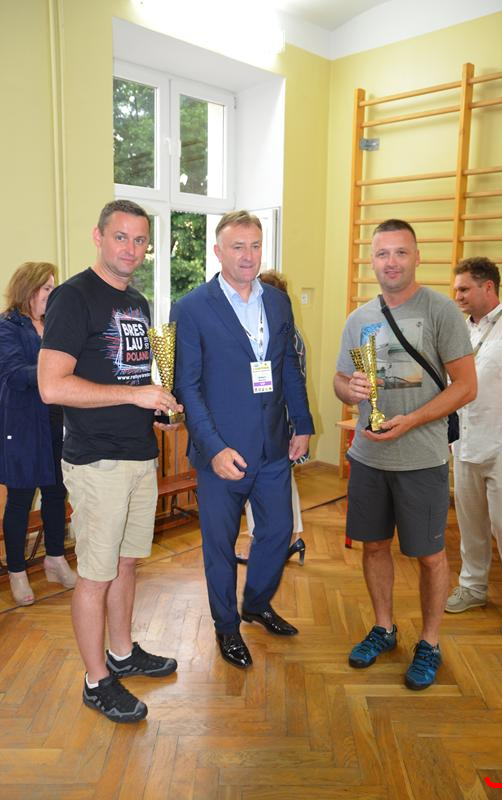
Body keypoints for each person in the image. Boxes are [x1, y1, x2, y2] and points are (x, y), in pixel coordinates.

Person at [38, 200, 182, 724]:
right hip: (97, 462)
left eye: (140, 240)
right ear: (98, 237)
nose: (131, 249)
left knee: (126, 563)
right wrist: (133, 396)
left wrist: (157, 405)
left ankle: (121, 653)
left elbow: (130, 378)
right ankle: (96, 680)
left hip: (139, 454)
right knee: (95, 576)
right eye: (121, 237)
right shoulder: (73, 297)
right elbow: (52, 386)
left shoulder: (137, 301)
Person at [334, 219, 476, 690]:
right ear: (371, 260)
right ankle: (384, 628)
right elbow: (340, 380)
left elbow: (466, 387)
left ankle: (429, 643)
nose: (391, 262)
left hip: (422, 458)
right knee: (374, 546)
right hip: (368, 457)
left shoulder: (441, 311)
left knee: (430, 556)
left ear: (417, 257)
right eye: (382, 253)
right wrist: (349, 389)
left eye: (400, 252)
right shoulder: (358, 319)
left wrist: (412, 420)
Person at [171, 210, 314, 669]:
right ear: (218, 252)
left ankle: (255, 603)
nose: (248, 255)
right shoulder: (192, 307)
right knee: (219, 545)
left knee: (278, 531)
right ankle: (226, 626)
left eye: (255, 245)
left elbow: (287, 367)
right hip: (222, 453)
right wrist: (213, 448)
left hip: (273, 445)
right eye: (238, 247)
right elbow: (187, 386)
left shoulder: (278, 303)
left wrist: (302, 423)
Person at [446, 257, 502, 638]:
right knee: (470, 521)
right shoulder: (460, 330)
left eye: (464, 288)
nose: (458, 295)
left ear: (488, 287)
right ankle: (473, 586)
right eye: (456, 289)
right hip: (465, 442)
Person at [0, 262, 76, 606]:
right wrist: (57, 372)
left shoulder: (53, 324)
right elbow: (15, 374)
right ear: (28, 290)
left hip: (56, 422)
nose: (52, 293)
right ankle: (17, 571)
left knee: (56, 494)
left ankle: (55, 559)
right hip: (22, 425)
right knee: (20, 500)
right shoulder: (7, 326)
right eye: (47, 287)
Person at [238, 269, 307, 566]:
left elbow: (293, 381)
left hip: (280, 422)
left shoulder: (284, 334)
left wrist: (298, 426)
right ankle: (283, 540)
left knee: (273, 488)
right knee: (278, 486)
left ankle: (273, 542)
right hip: (270, 421)